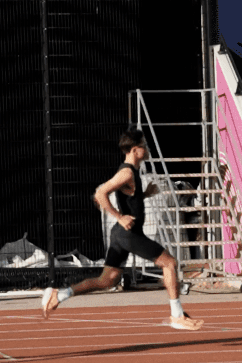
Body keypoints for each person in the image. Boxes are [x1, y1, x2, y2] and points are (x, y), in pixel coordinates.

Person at [41, 126, 204, 330]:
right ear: (135, 150)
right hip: (128, 234)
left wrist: (144, 195)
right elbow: (100, 193)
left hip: (121, 236)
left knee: (107, 280)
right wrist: (118, 217)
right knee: (169, 263)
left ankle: (60, 294)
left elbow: (126, 196)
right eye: (144, 146)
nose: (147, 149)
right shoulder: (127, 172)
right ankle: (177, 315)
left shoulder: (131, 173)